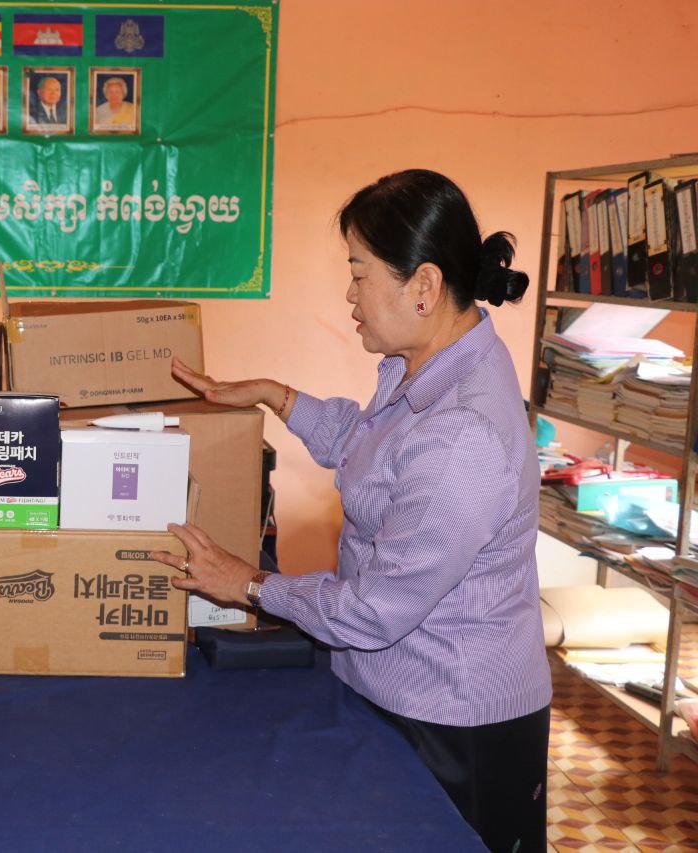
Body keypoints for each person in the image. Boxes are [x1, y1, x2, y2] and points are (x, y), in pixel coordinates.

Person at [152, 169, 552, 852]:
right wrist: (274, 395)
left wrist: (249, 584)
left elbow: (373, 610)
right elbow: (373, 450)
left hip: (453, 718)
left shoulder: (465, 432)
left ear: (424, 285)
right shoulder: (428, 363)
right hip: (392, 690)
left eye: (359, 273)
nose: (350, 294)